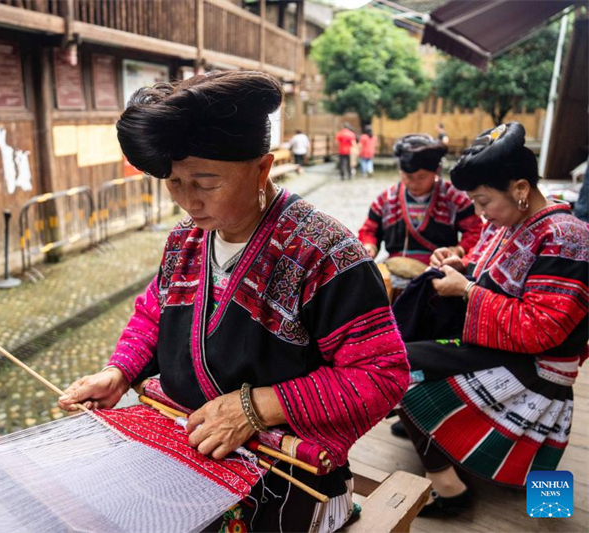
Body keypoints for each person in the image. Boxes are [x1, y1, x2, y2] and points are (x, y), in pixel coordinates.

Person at [58, 71, 409, 532]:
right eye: (174, 182)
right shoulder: (186, 239)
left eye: (205, 183)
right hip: (185, 436)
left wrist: (254, 408)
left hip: (284, 469)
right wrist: (118, 372)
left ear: (262, 168)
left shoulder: (325, 254)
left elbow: (383, 376)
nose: (188, 201)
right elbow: (155, 312)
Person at [395, 123, 589, 515]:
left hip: (538, 367)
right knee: (397, 360)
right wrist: (458, 263)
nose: (480, 215)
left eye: (484, 202)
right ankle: (446, 470)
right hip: (501, 346)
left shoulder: (569, 236)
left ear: (519, 189)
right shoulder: (511, 221)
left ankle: (456, 490)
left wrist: (466, 290)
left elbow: (541, 329)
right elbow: (482, 268)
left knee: (404, 370)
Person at [357, 134, 483, 265]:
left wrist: (459, 250)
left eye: (422, 177)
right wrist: (369, 246)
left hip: (439, 268)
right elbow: (369, 230)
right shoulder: (386, 199)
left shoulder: (454, 198)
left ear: (436, 171)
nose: (414, 183)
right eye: (408, 177)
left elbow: (476, 231)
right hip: (396, 266)